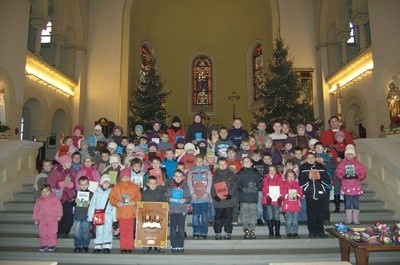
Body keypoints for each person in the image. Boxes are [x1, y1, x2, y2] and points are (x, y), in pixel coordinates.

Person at [298, 152, 330, 238]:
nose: (310, 159)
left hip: (320, 194)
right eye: (308, 158)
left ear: (315, 158)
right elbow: (301, 182)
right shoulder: (303, 168)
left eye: (312, 157)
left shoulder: (321, 167)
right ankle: (312, 231)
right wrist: (308, 179)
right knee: (311, 214)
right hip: (309, 193)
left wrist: (320, 178)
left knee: (319, 213)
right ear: (306, 159)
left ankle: (320, 231)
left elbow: (327, 181)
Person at [109, 168, 141, 253]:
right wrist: (117, 203)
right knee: (123, 231)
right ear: (120, 177)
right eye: (124, 177)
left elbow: (139, 197)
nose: (125, 178)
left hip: (131, 212)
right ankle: (123, 247)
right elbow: (111, 198)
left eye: (127, 177)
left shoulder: (134, 187)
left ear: (130, 177)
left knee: (130, 231)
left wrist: (134, 201)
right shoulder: (116, 187)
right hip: (122, 212)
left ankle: (129, 247)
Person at [336, 144, 367, 224]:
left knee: (356, 203)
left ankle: (355, 219)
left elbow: (363, 173)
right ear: (345, 155)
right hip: (346, 186)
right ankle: (349, 218)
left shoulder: (358, 164)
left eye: (351, 154)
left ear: (354, 155)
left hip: (355, 186)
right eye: (347, 154)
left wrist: (358, 176)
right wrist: (343, 176)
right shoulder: (342, 164)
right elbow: (338, 172)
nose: (349, 156)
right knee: (348, 202)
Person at [47, 154, 75, 238]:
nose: (70, 164)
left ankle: (65, 231)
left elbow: (74, 181)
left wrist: (71, 185)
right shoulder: (56, 171)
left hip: (68, 197)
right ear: (63, 163)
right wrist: (59, 184)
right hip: (58, 198)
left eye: (70, 162)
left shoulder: (71, 171)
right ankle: (57, 230)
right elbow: (50, 183)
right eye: (67, 162)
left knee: (68, 215)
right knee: (58, 215)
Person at [87, 174, 116, 254]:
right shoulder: (97, 193)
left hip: (108, 214)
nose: (106, 184)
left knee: (107, 230)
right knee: (99, 230)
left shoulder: (112, 193)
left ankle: (107, 244)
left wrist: (114, 218)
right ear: (101, 183)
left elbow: (114, 206)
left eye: (107, 183)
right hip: (98, 214)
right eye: (104, 182)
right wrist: (90, 216)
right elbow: (92, 205)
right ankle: (98, 244)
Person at [186, 154, 212, 239]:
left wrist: (207, 193)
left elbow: (209, 182)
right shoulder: (191, 171)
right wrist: (192, 193)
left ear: (203, 161)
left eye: (201, 161)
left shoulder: (207, 171)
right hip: (195, 198)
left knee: (204, 216)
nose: (199, 163)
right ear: (195, 162)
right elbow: (189, 183)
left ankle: (204, 232)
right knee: (195, 216)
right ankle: (196, 232)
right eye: (197, 161)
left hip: (205, 198)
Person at [236, 157, 263, 239]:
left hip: (253, 198)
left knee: (253, 214)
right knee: (244, 214)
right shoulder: (239, 174)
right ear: (242, 163)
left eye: (248, 161)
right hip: (243, 198)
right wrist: (242, 188)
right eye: (245, 162)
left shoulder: (256, 173)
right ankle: (246, 229)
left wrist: (256, 188)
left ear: (252, 163)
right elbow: (237, 184)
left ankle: (252, 229)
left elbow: (260, 183)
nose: (247, 163)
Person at [211, 158, 237, 240]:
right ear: (218, 165)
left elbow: (234, 186)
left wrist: (230, 194)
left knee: (228, 217)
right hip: (218, 201)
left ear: (227, 165)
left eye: (224, 164)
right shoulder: (215, 176)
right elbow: (212, 187)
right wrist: (215, 196)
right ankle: (218, 232)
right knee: (218, 218)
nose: (222, 166)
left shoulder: (231, 175)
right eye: (220, 164)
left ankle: (228, 232)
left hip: (229, 200)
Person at [141, 175, 168, 253]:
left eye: (154, 183)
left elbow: (164, 203)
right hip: (147, 215)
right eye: (151, 183)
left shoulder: (161, 192)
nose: (153, 185)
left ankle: (158, 244)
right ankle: (147, 245)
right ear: (148, 184)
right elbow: (141, 204)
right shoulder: (144, 193)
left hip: (158, 215)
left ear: (157, 183)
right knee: (147, 230)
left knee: (158, 230)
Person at [33, 184, 62, 252]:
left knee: (52, 232)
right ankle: (44, 245)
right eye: (43, 192)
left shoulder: (54, 198)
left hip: (52, 219)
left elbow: (59, 207)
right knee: (42, 233)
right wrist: (36, 219)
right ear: (40, 192)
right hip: (42, 219)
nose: (45, 193)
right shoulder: (39, 200)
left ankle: (52, 245)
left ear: (50, 191)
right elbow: (36, 210)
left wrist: (59, 215)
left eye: (46, 191)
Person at [167, 169, 190, 252]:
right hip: (173, 210)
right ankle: (173, 245)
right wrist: (169, 199)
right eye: (176, 176)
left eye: (180, 176)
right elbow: (166, 196)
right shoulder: (170, 187)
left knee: (181, 229)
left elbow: (189, 198)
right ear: (173, 177)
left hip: (181, 210)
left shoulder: (185, 186)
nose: (178, 178)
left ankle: (180, 245)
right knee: (172, 229)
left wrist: (185, 200)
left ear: (183, 177)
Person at [262, 165, 284, 238]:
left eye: (273, 170)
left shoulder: (279, 178)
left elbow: (282, 188)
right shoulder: (265, 178)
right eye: (270, 170)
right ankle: (271, 232)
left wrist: (280, 195)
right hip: (268, 198)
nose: (272, 172)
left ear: (276, 171)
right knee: (270, 215)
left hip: (277, 200)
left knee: (276, 215)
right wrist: (267, 193)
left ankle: (277, 232)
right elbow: (264, 188)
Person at [73, 176, 93, 253]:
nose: (84, 186)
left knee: (86, 232)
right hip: (77, 215)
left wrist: (90, 203)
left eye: (85, 184)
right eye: (82, 184)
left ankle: (85, 246)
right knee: (77, 232)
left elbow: (95, 205)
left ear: (88, 184)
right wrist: (75, 201)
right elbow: (72, 204)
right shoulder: (76, 193)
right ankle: (77, 246)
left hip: (87, 216)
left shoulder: (91, 194)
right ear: (79, 185)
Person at [281, 169, 303, 238]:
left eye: (292, 176)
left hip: (295, 205)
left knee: (295, 221)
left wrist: (298, 196)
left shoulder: (296, 184)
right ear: (286, 177)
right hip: (287, 206)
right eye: (289, 176)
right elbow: (282, 192)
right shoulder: (283, 184)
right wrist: (287, 196)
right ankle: (289, 232)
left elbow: (300, 192)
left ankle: (295, 232)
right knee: (288, 221)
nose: (291, 178)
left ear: (295, 177)